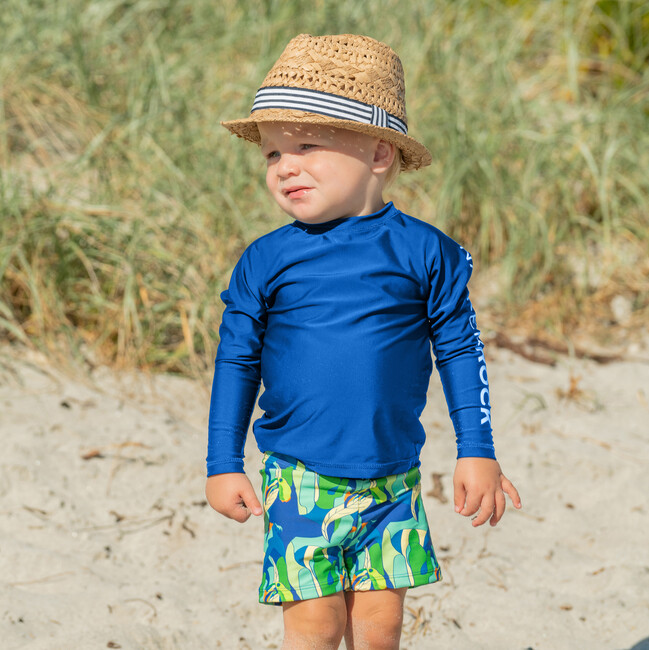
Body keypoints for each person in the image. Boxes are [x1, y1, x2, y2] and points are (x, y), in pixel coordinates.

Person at [205, 33, 521, 650]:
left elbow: (460, 351)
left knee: (379, 635)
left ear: (379, 153)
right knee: (316, 630)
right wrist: (222, 462)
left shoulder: (426, 251)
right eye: (272, 154)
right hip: (299, 478)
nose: (284, 166)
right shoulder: (266, 260)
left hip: (392, 481)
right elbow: (237, 360)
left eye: (305, 146)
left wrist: (476, 448)